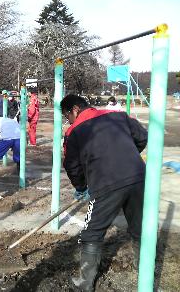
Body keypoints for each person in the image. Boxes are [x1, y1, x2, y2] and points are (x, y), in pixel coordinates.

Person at [60, 94, 147, 292]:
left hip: (106, 183)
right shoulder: (119, 116)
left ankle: (84, 283)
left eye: (67, 116)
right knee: (139, 226)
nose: (68, 120)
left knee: (92, 233)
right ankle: (144, 269)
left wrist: (81, 187)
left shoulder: (74, 132)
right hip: (138, 176)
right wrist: (127, 156)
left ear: (74, 109)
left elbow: (72, 166)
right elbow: (142, 137)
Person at [0, 113, 21, 181]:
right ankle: (20, 173)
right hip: (19, 138)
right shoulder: (10, 120)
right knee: (18, 158)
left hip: (6, 139)